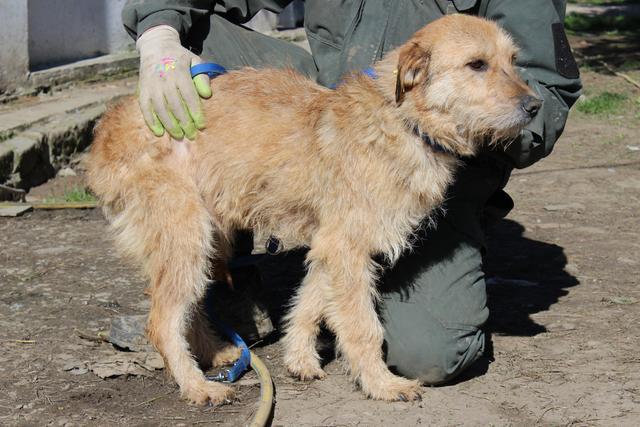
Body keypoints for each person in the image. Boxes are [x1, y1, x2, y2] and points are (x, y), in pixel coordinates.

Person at [121, 0, 582, 385]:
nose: (504, 73)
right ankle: (229, 277)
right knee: (188, 27)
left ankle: (296, 322)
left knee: (434, 354)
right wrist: (158, 35)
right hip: (327, 100)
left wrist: (477, 124)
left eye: (503, 62)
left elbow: (545, 90)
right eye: (480, 65)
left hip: (443, 148)